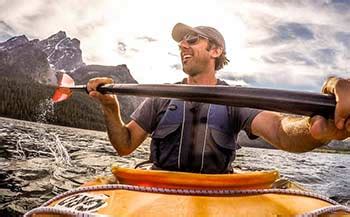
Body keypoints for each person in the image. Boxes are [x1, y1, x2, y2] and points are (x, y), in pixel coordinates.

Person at [87, 22, 350, 174]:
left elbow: (280, 130)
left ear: (215, 50)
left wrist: (315, 130)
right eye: (181, 42)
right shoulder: (160, 97)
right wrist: (111, 107)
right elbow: (125, 145)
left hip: (217, 191)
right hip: (158, 185)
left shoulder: (236, 99)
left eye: (191, 39)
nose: (182, 45)